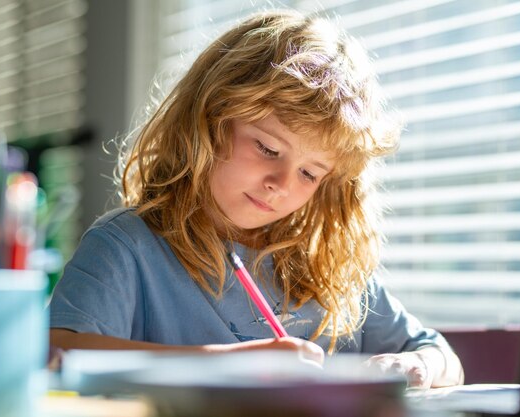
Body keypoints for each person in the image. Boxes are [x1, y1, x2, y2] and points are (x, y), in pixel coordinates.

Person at [49, 9, 464, 389]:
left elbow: (442, 357)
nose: (281, 183)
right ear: (208, 120)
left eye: (309, 173)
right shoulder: (127, 247)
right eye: (267, 148)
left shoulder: (328, 271)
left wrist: (419, 366)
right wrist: (228, 365)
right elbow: (56, 354)